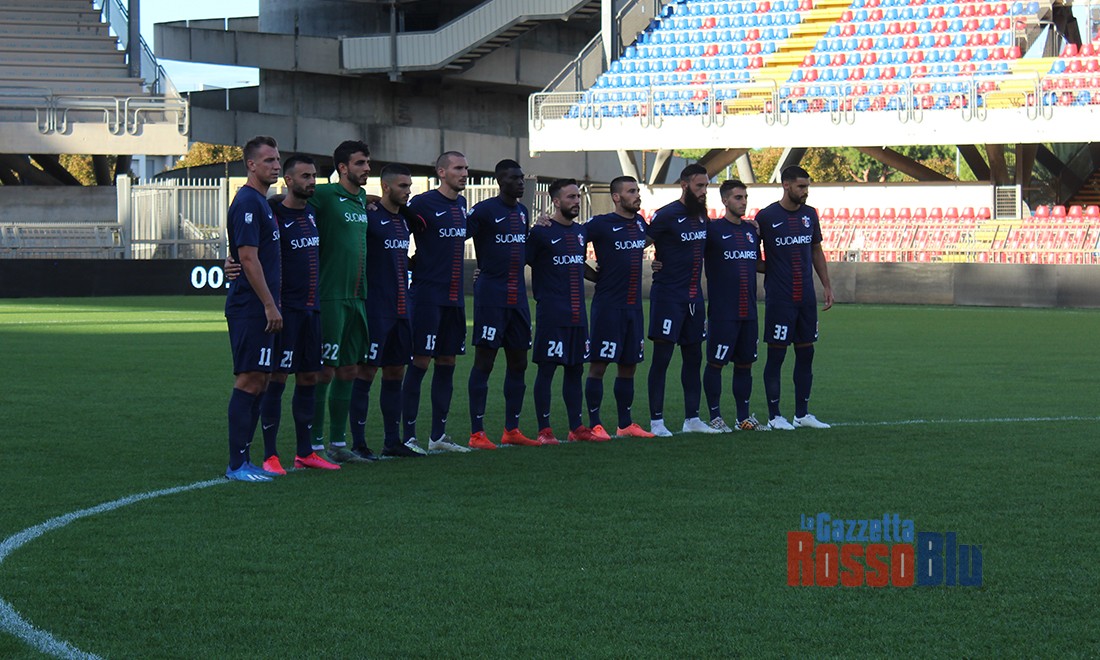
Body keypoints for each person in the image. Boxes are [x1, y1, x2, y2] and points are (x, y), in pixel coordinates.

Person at [254, 155, 342, 473]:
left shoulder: (313, 213)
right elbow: (249, 246)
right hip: (285, 311)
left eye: (314, 176)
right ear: (288, 180)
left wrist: (371, 199)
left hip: (311, 310)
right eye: (305, 176)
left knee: (309, 377)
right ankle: (270, 455)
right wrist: (231, 261)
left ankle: (305, 452)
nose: (312, 181)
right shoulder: (274, 214)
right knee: (277, 379)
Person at [309, 140, 378, 463]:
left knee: (349, 369)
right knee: (324, 371)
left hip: (358, 297)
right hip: (331, 296)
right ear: (342, 167)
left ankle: (338, 444)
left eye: (367, 163)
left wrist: (373, 199)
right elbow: (281, 204)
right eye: (360, 163)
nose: (367, 168)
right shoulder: (323, 195)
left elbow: (369, 198)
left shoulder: (361, 198)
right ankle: (314, 444)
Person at [465, 159, 538, 450]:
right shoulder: (483, 211)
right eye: (514, 178)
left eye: (521, 178)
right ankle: (477, 433)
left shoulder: (522, 212)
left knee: (519, 362)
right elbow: (458, 237)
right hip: (491, 297)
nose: (520, 183)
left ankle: (512, 430)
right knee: (485, 361)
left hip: (517, 297)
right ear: (500, 181)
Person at [402, 151, 472, 453]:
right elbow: (395, 230)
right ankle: (408, 436)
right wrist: (406, 264)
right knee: (420, 362)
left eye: (466, 168)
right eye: (458, 168)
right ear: (441, 172)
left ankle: (438, 437)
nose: (464, 173)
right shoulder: (422, 203)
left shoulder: (462, 204)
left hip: (454, 300)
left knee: (447, 362)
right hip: (427, 297)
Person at [223, 136, 284, 482]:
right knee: (249, 379)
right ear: (251, 165)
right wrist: (269, 304)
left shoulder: (262, 202)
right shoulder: (247, 201)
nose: (276, 166)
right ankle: (237, 464)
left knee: (260, 380)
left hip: (261, 306)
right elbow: (247, 258)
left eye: (277, 160)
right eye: (269, 160)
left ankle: (245, 460)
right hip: (251, 307)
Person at [645, 164, 721, 437]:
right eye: (699, 186)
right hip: (668, 297)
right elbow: (638, 242)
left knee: (693, 358)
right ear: (685, 185)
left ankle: (692, 419)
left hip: (694, 300)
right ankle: (656, 421)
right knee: (662, 359)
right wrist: (652, 264)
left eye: (706, 186)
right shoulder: (666, 215)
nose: (704, 191)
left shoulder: (702, 217)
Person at [756, 166, 834, 430]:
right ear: (786, 185)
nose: (805, 191)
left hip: (806, 298)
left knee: (806, 354)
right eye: (801, 186)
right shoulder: (766, 217)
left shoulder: (810, 215)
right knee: (776, 356)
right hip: (780, 298)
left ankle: (802, 414)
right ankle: (775, 416)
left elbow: (816, 250)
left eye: (807, 186)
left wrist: (826, 285)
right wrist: (775, 268)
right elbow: (752, 256)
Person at [526, 179, 602, 444]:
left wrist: (600, 277)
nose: (576, 201)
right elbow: (520, 259)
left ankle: (576, 428)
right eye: (571, 197)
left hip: (578, 314)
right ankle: (544, 430)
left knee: (575, 369)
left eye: (578, 197)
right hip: (552, 314)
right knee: (547, 370)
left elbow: (578, 264)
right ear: (556, 202)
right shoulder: (541, 232)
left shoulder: (580, 232)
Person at [582, 176, 655, 439]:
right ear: (616, 197)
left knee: (629, 365)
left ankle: (625, 424)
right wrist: (592, 275)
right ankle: (595, 424)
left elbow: (649, 239)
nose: (637, 195)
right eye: (631, 191)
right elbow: (570, 240)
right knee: (599, 365)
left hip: (633, 307)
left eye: (637, 191)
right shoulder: (601, 224)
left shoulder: (639, 223)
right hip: (608, 306)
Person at [702, 180, 766, 433]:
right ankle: (715, 416)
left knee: (745, 364)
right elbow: (689, 253)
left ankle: (743, 418)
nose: (743, 202)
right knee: (716, 363)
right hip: (723, 312)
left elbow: (757, 263)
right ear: (725, 200)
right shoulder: (712, 230)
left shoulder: (751, 231)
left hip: (748, 311)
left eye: (745, 197)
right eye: (738, 197)